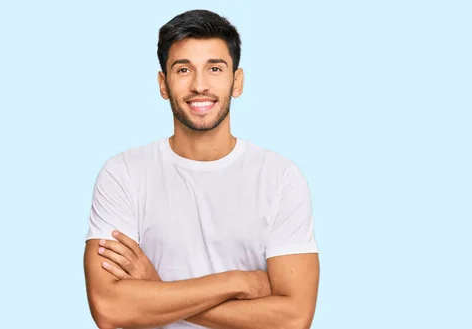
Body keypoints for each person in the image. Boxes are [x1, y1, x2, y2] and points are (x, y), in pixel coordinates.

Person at [83, 9, 320, 329]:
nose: (199, 85)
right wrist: (239, 281)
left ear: (236, 81)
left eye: (215, 68)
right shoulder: (123, 174)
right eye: (183, 69)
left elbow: (293, 319)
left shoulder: (280, 177)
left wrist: (157, 290)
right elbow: (110, 308)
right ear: (163, 84)